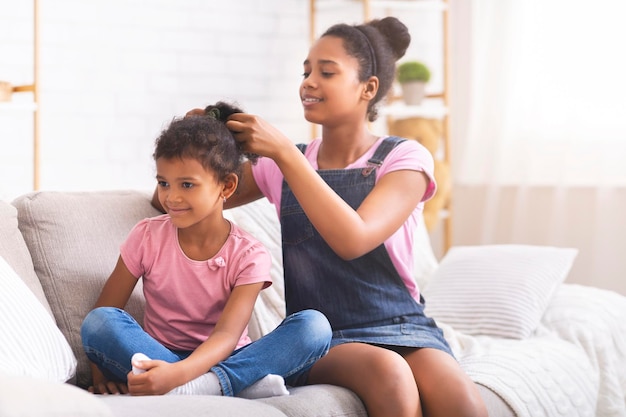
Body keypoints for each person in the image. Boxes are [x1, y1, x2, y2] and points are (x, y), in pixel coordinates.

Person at [162, 17, 488, 417]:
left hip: (402, 324)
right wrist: (197, 148)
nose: (308, 82)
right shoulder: (281, 163)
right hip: (319, 335)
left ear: (367, 88)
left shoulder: (404, 158)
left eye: (326, 72)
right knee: (389, 373)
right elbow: (171, 203)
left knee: (463, 402)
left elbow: (355, 238)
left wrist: (284, 153)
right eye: (306, 71)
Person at [81, 101, 331, 397]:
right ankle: (231, 386)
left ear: (226, 187)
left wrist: (177, 376)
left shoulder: (248, 253)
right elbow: (105, 312)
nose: (171, 197)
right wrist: (101, 374)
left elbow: (227, 335)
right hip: (159, 354)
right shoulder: (146, 236)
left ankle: (200, 386)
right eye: (164, 183)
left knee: (314, 327)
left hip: (225, 356)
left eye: (187, 185)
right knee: (100, 322)